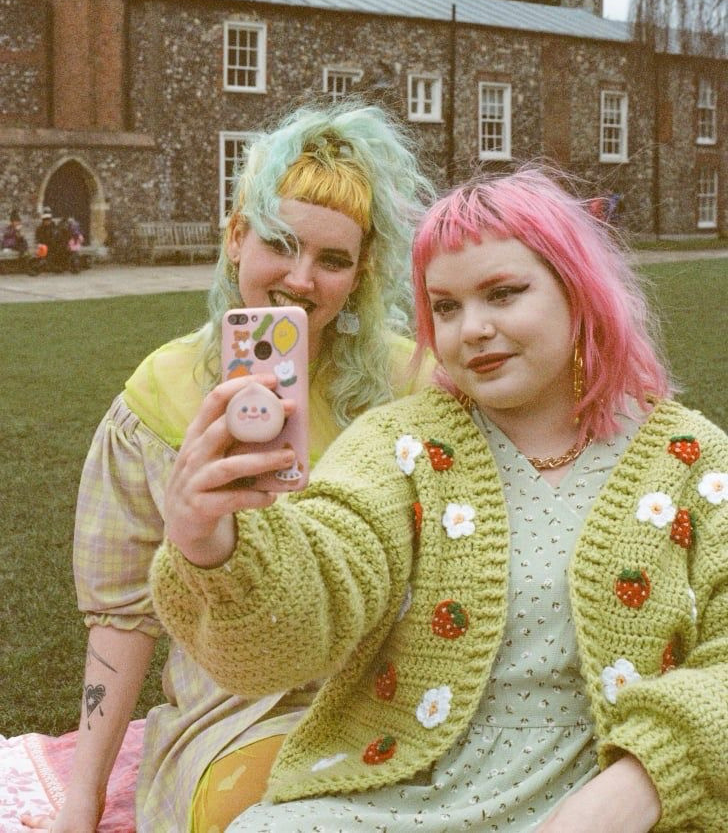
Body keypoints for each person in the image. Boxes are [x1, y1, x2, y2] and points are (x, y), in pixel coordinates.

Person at [151, 165, 728, 832]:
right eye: (447, 307)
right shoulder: (402, 446)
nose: (472, 328)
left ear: (579, 293)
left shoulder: (691, 460)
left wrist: (641, 783)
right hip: (407, 798)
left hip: (617, 808)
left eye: (503, 294)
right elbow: (315, 600)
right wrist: (213, 546)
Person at [21, 102, 436, 833]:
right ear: (237, 238)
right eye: (281, 243)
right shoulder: (164, 393)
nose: (302, 280)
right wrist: (81, 804)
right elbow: (122, 617)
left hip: (397, 692)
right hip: (238, 711)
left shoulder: (413, 385)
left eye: (333, 259)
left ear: (361, 272)